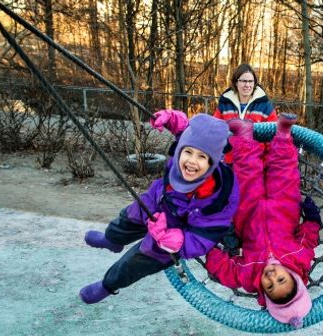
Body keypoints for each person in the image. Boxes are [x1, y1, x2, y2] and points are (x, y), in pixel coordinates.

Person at [79, 112, 239, 304]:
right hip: (156, 201)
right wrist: (170, 118)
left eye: (202, 157)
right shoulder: (184, 146)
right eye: (187, 152)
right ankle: (112, 240)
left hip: (172, 230)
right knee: (128, 218)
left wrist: (179, 241)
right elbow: (183, 129)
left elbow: (206, 235)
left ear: (212, 162)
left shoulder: (218, 197)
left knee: (138, 260)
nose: (191, 162)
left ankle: (108, 285)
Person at [204, 113, 321, 329]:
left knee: (246, 174)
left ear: (264, 292)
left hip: (247, 215)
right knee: (284, 173)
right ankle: (283, 134)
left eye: (269, 286)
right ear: (294, 278)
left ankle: (245, 134)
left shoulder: (249, 276)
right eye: (281, 280)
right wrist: (313, 220)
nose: (272, 277)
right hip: (284, 209)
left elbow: (225, 270)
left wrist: (210, 246)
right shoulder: (299, 260)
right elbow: (308, 240)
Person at [214, 63, 278, 163]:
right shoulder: (225, 103)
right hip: (230, 161)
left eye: (250, 81)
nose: (247, 85)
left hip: (255, 164)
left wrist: (268, 163)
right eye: (243, 81)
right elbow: (215, 129)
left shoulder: (264, 105)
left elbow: (274, 136)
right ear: (236, 82)